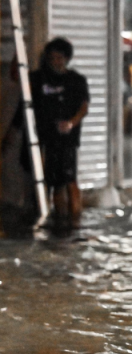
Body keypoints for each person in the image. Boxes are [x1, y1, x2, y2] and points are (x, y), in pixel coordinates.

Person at [29, 37, 89, 223]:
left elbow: (84, 106)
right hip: (48, 137)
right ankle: (58, 220)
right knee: (53, 183)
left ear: (67, 58)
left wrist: (71, 122)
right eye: (52, 58)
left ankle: (74, 220)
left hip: (68, 139)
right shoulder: (39, 79)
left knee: (70, 181)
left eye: (60, 58)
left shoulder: (76, 80)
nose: (56, 62)